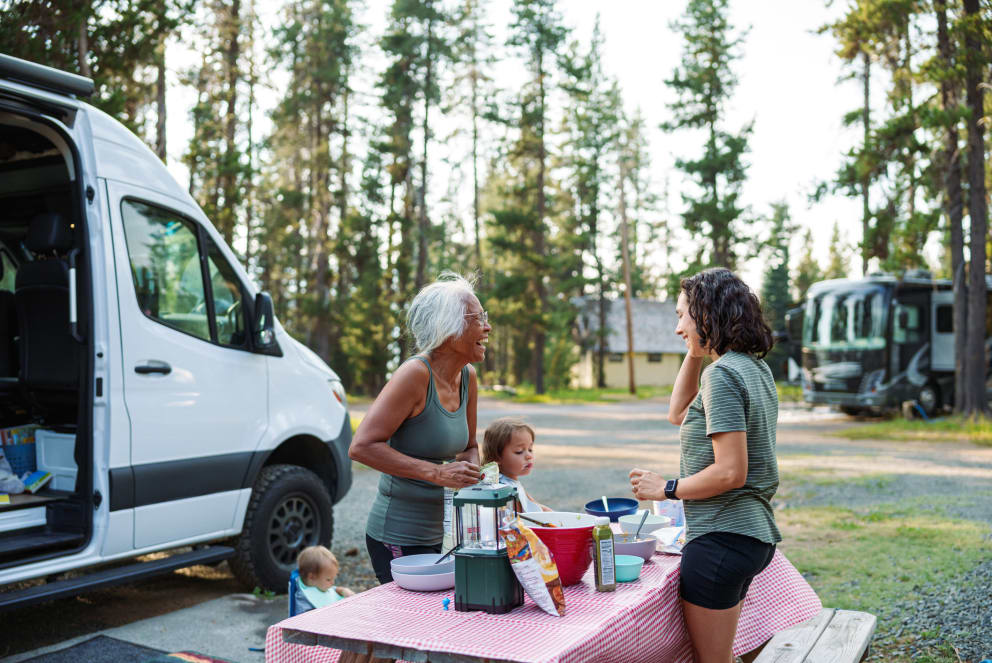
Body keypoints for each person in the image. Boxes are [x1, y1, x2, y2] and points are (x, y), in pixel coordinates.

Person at [628, 267, 780, 663]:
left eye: (682, 315)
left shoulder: (725, 375)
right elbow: (680, 412)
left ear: (707, 315)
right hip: (749, 535)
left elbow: (731, 472)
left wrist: (666, 488)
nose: (678, 327)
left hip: (722, 538)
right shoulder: (752, 367)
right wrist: (695, 351)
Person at [349, 272, 488, 584]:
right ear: (450, 327)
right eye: (479, 318)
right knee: (411, 626)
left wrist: (471, 474)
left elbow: (469, 446)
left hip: (448, 534)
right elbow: (361, 447)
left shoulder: (468, 377)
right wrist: (438, 474)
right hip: (399, 534)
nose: (488, 327)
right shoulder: (413, 375)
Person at [481, 417, 552, 513]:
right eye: (519, 451)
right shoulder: (503, 489)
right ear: (496, 457)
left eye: (530, 449)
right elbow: (519, 518)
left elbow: (536, 506)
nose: (529, 456)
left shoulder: (513, 483)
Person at [294, 545, 355, 613]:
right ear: (311, 577)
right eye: (328, 579)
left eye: (334, 578)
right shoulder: (304, 602)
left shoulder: (319, 585)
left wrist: (343, 591)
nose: (333, 583)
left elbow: (332, 590)